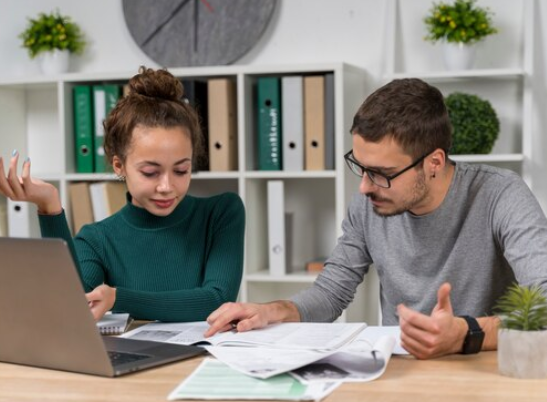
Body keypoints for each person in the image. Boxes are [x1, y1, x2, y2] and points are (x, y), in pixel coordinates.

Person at [205, 78, 547, 359]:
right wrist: (270, 311)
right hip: (399, 369)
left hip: (485, 367)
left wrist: (465, 333)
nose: (365, 187)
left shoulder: (502, 195)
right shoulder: (370, 202)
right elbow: (330, 293)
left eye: (382, 173)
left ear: (435, 163)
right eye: (361, 166)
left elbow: (544, 307)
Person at [0, 66, 245, 323]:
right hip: (137, 363)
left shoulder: (221, 213)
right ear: (119, 165)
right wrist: (49, 206)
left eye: (181, 170)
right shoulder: (97, 239)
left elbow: (216, 300)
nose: (167, 186)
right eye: (150, 172)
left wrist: (118, 299)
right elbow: (70, 304)